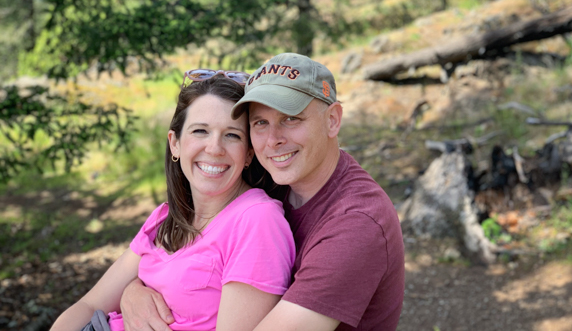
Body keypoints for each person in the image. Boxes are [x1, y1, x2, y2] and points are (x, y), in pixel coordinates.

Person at [121, 53, 405, 331]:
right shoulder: (277, 182)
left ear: (332, 120)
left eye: (291, 118)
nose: (272, 140)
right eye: (260, 123)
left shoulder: (356, 223)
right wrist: (132, 292)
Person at [50, 71, 295, 331]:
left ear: (248, 154)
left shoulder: (256, 220)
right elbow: (89, 305)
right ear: (175, 143)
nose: (214, 148)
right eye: (200, 131)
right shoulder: (165, 217)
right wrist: (130, 291)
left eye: (232, 135)